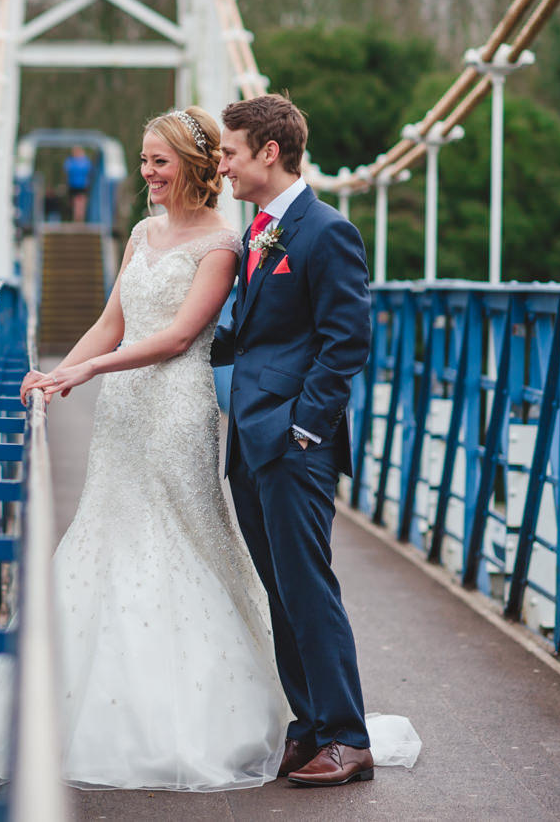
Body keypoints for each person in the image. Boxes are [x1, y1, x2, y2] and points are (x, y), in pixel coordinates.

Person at [0, 106, 291, 790]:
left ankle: (196, 715)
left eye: (159, 161)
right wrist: (61, 365)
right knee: (110, 528)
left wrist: (94, 369)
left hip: (175, 405)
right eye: (144, 159)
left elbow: (183, 335)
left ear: (191, 163)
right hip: (122, 405)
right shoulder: (142, 232)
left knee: (178, 533)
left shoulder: (224, 242)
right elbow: (112, 320)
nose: (147, 173)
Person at [212, 93, 376, 786]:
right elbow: (247, 333)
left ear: (268, 152)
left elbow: (346, 342)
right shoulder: (256, 231)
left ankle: (347, 736)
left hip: (291, 441)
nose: (220, 164)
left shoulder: (325, 230)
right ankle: (308, 725)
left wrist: (304, 428)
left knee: (309, 586)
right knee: (278, 589)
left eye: (228, 151)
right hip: (248, 441)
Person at [63, 146, 92, 223]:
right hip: (73, 185)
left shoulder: (85, 161)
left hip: (82, 185)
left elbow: (89, 172)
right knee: (75, 203)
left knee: (80, 202)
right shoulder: (71, 161)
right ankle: (77, 218)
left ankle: (79, 218)